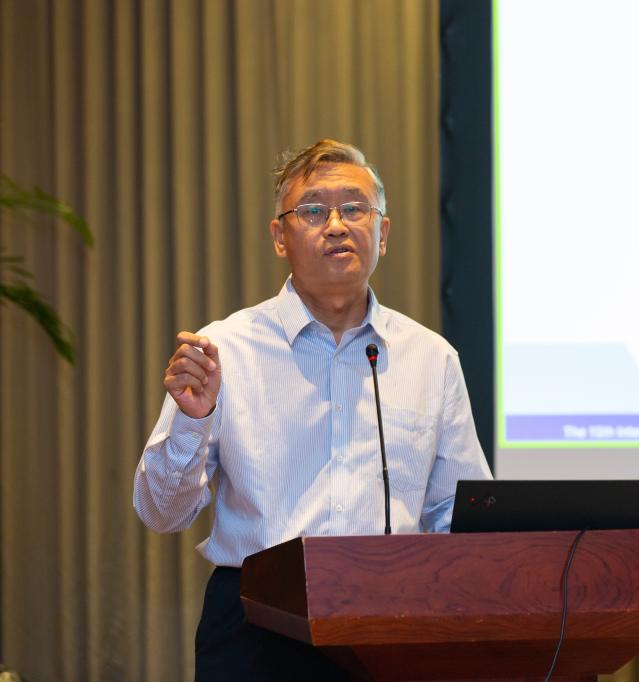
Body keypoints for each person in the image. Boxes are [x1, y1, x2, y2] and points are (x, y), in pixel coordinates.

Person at [133, 139, 492, 681]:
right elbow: (161, 514)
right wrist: (192, 421)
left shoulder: (431, 358)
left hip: (392, 626)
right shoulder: (223, 350)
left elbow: (458, 517)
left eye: (354, 208)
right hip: (256, 629)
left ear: (383, 233)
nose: (337, 225)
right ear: (280, 237)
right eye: (313, 211)